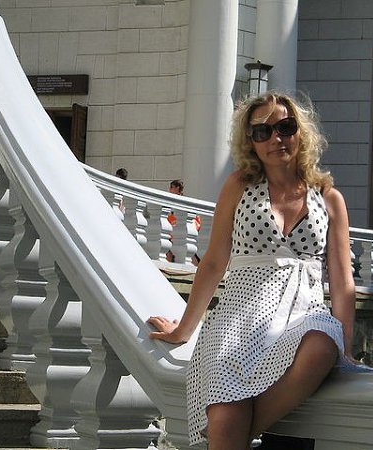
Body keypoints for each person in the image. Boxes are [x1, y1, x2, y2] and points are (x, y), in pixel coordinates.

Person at [148, 91, 356, 450]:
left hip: (304, 315)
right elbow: (214, 262)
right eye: (262, 131)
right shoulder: (238, 186)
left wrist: (347, 347)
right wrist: (184, 330)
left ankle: (227, 437)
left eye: (285, 127)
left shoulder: (329, 198)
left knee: (323, 346)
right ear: (251, 142)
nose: (276, 138)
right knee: (227, 412)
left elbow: (342, 282)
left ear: (300, 132)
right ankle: (228, 434)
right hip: (238, 319)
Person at [166, 179, 201, 265]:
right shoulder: (171, 200)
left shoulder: (183, 200)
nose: (169, 190)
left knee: (187, 251)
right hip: (172, 229)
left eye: (171, 187)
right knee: (169, 250)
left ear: (177, 188)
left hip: (181, 228)